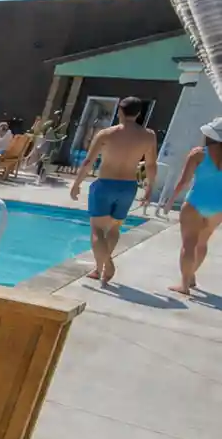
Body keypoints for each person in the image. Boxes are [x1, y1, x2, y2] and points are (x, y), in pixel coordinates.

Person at [71, 97, 159, 284]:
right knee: (114, 228)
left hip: (105, 184)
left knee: (97, 230)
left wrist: (77, 182)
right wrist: (150, 186)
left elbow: (88, 161)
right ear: (138, 113)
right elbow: (151, 164)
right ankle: (98, 268)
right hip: (128, 187)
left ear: (119, 111)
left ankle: (107, 264)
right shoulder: (148, 136)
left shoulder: (106, 134)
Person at [168, 117, 222, 296]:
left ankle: (184, 284)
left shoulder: (199, 153)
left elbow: (184, 181)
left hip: (196, 202)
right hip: (218, 206)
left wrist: (170, 200)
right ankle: (191, 277)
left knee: (189, 243)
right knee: (202, 243)